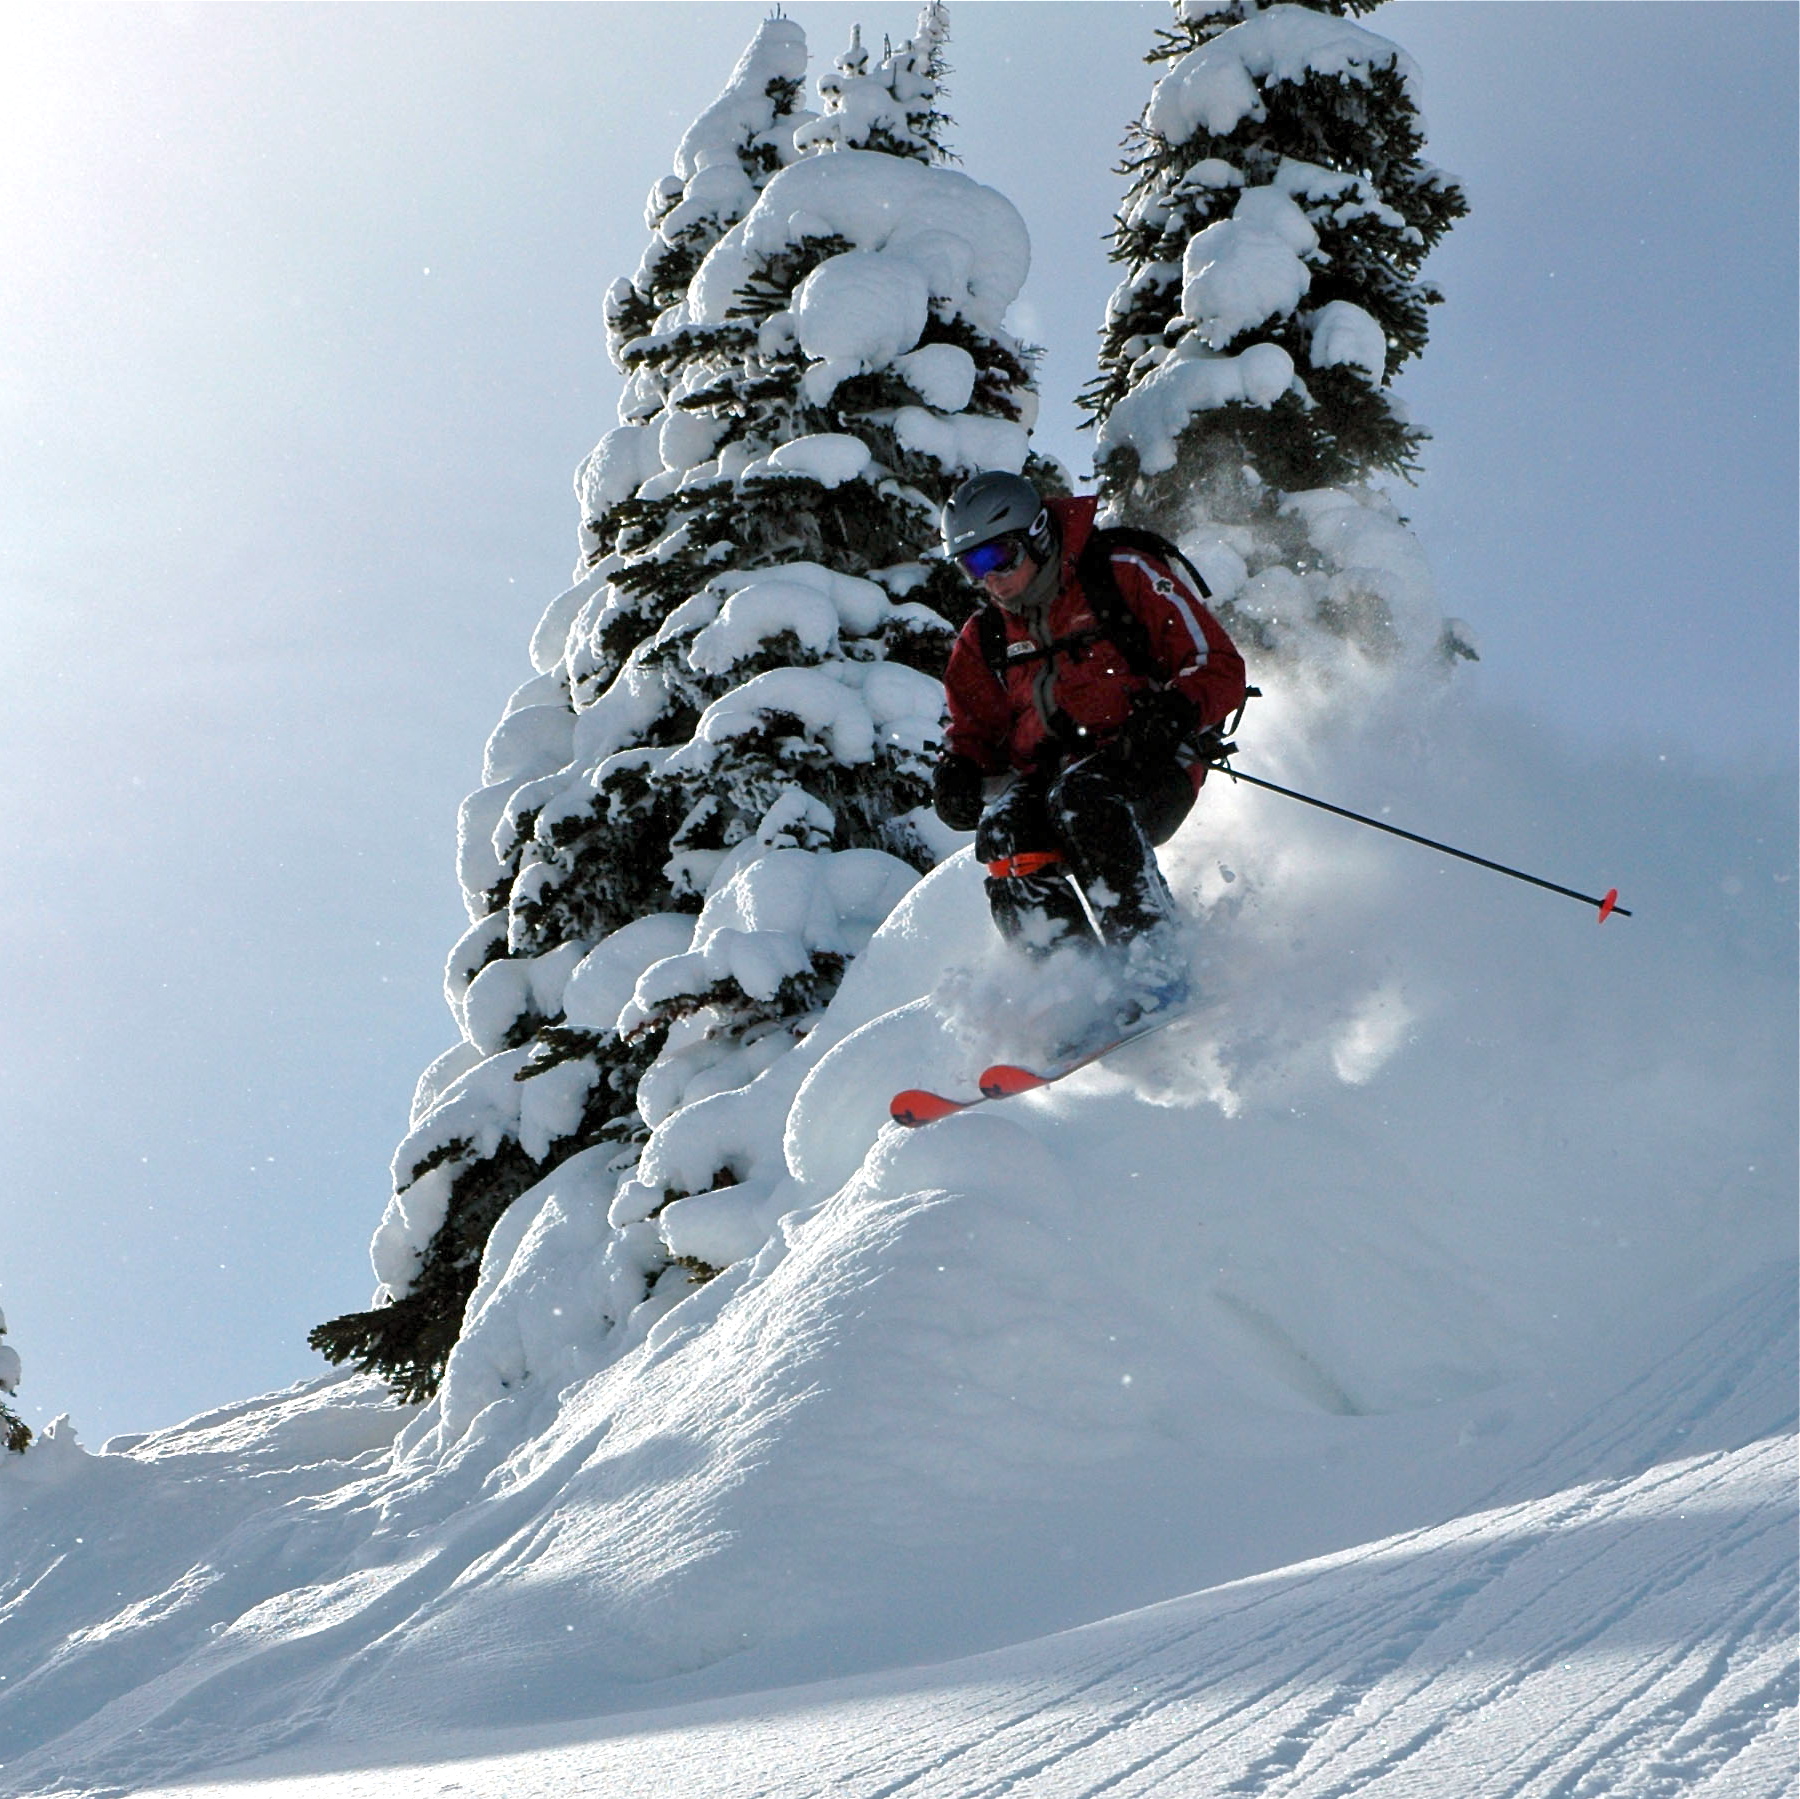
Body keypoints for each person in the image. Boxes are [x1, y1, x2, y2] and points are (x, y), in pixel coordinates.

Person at [932, 471, 1247, 1016]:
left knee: (1083, 799)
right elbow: (972, 733)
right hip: (1054, 779)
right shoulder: (984, 637)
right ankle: (1073, 991)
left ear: (1037, 535)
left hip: (1146, 761)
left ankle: (1155, 966)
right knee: (1005, 832)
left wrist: (1172, 713)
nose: (991, 580)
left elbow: (1218, 665)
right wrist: (959, 770)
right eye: (972, 566)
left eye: (999, 558)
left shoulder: (1120, 575)